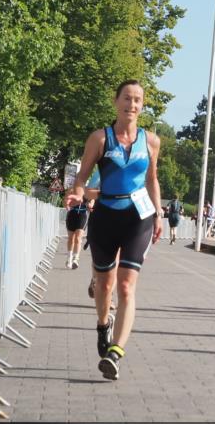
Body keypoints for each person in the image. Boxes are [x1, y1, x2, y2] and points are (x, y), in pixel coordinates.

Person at [66, 79, 163, 381]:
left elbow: (152, 180)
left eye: (137, 100)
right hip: (106, 215)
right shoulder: (100, 138)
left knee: (125, 287)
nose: (131, 105)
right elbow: (81, 178)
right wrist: (78, 193)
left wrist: (159, 214)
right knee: (105, 286)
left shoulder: (151, 141)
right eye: (127, 99)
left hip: (138, 218)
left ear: (142, 106)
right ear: (115, 101)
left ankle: (116, 353)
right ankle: (102, 324)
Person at [65, 197, 90, 269]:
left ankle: (75, 259)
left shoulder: (88, 189)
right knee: (71, 238)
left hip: (82, 215)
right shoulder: (72, 189)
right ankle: (69, 258)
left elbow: (92, 201)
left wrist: (90, 204)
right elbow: (66, 200)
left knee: (78, 238)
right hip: (72, 214)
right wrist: (67, 203)